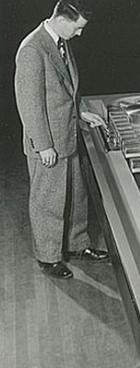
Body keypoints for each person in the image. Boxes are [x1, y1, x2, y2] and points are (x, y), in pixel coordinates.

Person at [14, 0, 108, 280]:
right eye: (78, 28)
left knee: (76, 197)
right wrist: (43, 145)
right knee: (49, 201)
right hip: (48, 143)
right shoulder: (33, 49)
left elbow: (65, 90)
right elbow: (29, 103)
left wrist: (81, 114)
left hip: (68, 134)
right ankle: (49, 257)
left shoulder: (61, 43)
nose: (80, 34)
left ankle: (77, 245)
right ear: (64, 19)